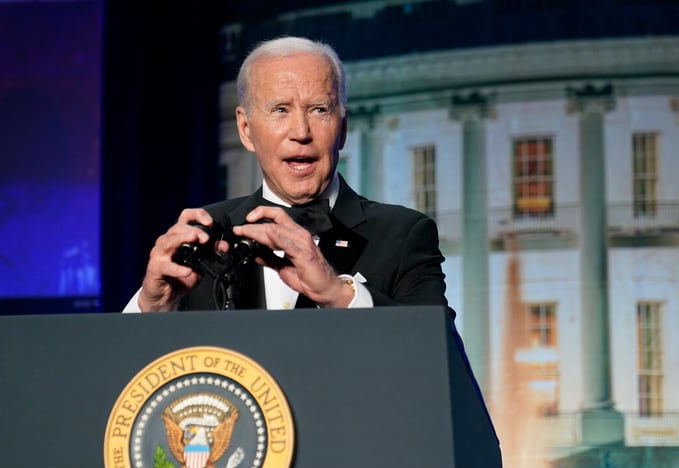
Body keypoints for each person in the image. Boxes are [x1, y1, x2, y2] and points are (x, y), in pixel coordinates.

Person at [123, 36, 451, 315]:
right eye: (280, 110)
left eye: (319, 109)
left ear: (343, 128)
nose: (301, 132)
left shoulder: (404, 235)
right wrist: (150, 308)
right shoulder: (204, 237)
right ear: (246, 129)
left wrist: (339, 294)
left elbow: (438, 355)